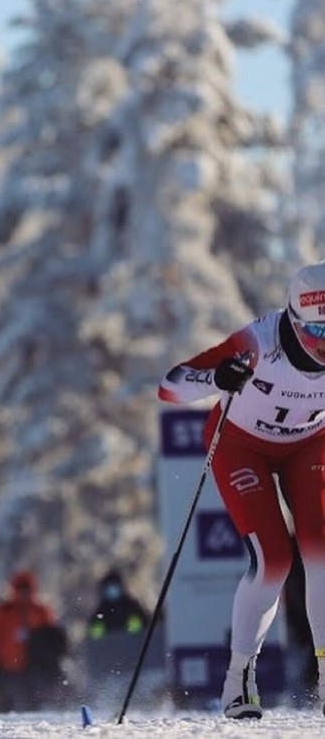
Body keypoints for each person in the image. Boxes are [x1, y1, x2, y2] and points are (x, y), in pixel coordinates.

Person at [158, 261, 325, 720]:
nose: (324, 345)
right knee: (274, 558)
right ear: (294, 320)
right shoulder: (259, 343)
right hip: (240, 445)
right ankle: (238, 678)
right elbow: (169, 386)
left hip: (308, 445)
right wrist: (216, 378)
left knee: (321, 549)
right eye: (317, 332)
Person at [0, 569, 68, 711]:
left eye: (26, 590)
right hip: (10, 666)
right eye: (21, 590)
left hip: (35, 665)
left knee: (36, 699)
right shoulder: (3, 611)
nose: (24, 594)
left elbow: (51, 634)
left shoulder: (41, 610)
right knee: (13, 701)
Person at [87, 569, 149, 640]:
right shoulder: (101, 612)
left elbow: (146, 627)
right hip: (111, 649)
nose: (112, 590)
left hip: (135, 647)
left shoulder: (132, 607)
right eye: (109, 587)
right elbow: (93, 636)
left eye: (114, 586)